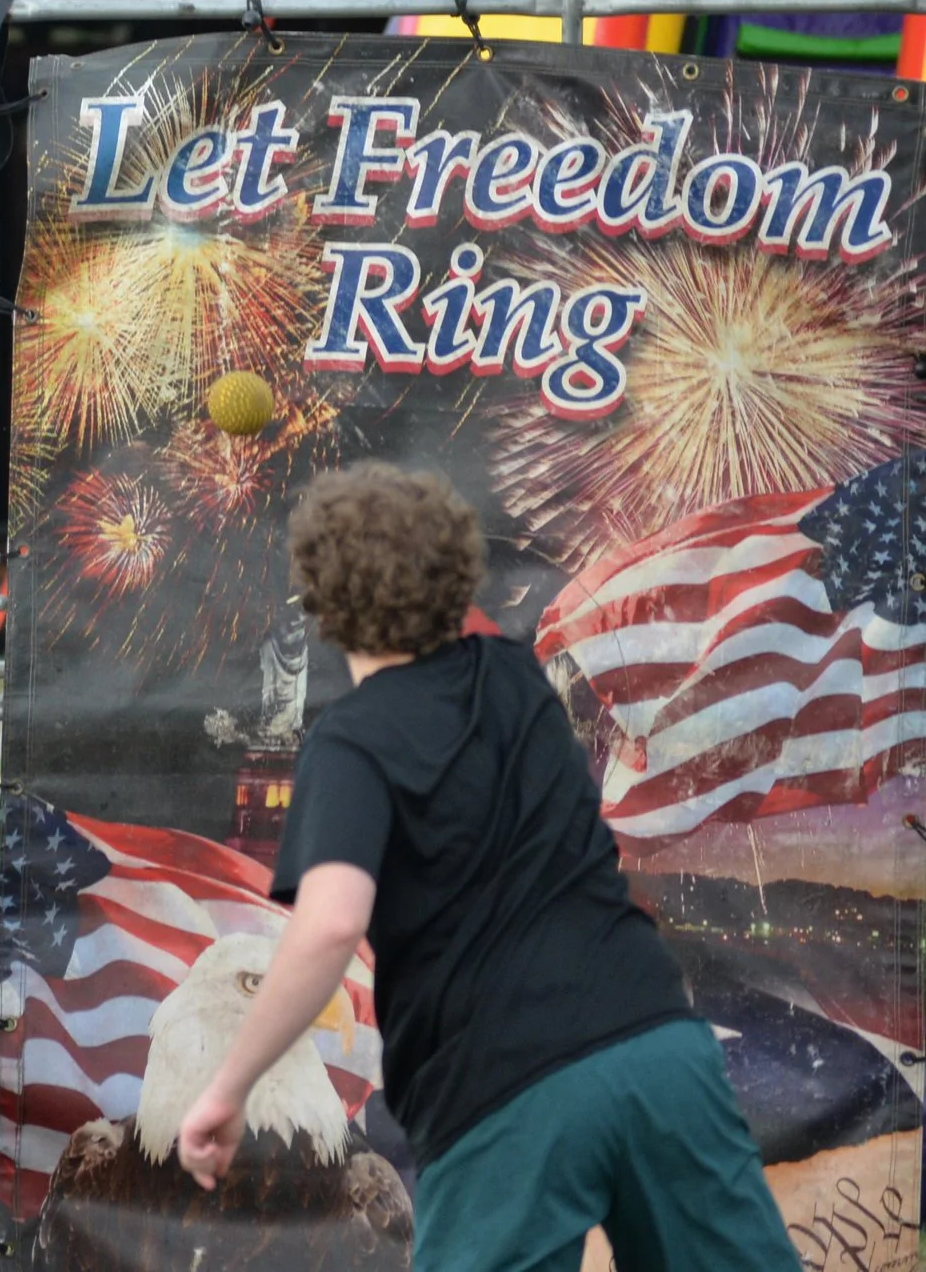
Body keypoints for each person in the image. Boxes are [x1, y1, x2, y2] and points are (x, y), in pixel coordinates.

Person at [174, 463, 797, 1272]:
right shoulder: (516, 679)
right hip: (656, 1047)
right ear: (459, 574)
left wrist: (227, 1088)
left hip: (503, 1090)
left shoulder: (351, 740)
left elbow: (330, 924)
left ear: (322, 608)